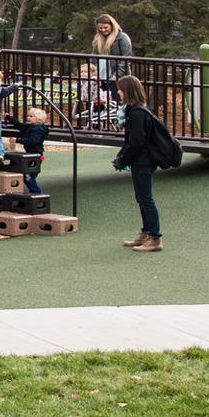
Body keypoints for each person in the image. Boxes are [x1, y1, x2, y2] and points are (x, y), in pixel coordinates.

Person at [113, 75, 166, 253]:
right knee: (142, 198)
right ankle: (147, 232)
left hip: (143, 161)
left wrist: (122, 160)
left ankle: (155, 237)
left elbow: (136, 142)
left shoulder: (137, 113)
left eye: (120, 89)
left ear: (127, 91)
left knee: (145, 198)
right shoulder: (136, 110)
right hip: (142, 160)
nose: (118, 92)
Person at [92, 14, 134, 95]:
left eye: (105, 27)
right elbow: (93, 56)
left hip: (116, 78)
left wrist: (117, 75)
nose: (103, 30)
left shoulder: (122, 37)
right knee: (100, 103)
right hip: (100, 77)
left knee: (115, 102)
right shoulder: (98, 39)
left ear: (112, 25)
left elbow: (126, 58)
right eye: (100, 28)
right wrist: (92, 72)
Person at [17, 106, 51, 195]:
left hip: (35, 156)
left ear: (38, 119)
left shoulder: (38, 129)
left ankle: (37, 193)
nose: (28, 117)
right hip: (31, 156)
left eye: (31, 116)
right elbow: (20, 126)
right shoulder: (30, 127)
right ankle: (36, 193)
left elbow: (33, 141)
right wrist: (9, 118)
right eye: (28, 116)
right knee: (29, 176)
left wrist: (18, 140)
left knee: (27, 176)